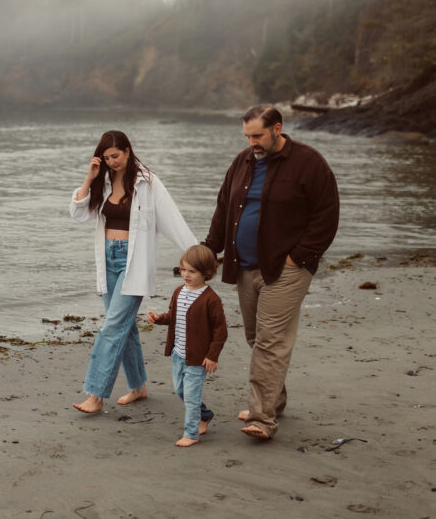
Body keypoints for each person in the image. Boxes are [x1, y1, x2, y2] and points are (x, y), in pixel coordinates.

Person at [204, 106, 339, 440]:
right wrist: (210, 248)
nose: (252, 143)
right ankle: (274, 401)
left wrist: (301, 256)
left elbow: (327, 214)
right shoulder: (243, 161)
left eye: (258, 136)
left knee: (269, 341)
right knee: (256, 337)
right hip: (245, 266)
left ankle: (262, 419)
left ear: (277, 128)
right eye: (247, 136)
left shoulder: (308, 163)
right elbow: (224, 207)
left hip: (286, 269)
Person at [69, 130, 197, 415]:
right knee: (124, 329)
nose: (112, 162)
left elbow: (171, 218)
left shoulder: (147, 183)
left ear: (127, 151)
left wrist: (198, 253)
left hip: (133, 262)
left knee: (112, 327)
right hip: (108, 259)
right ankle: (138, 386)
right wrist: (90, 177)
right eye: (106, 158)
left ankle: (95, 394)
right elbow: (78, 213)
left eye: (116, 156)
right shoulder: (102, 184)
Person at [148, 245, 228, 447]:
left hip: (198, 357)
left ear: (206, 273)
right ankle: (206, 414)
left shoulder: (211, 299)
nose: (186, 274)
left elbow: (221, 331)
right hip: (178, 353)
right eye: (183, 269)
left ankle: (191, 433)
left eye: (192, 271)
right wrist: (159, 319)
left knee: (191, 397)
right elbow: (173, 317)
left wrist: (212, 355)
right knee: (180, 390)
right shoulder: (178, 292)